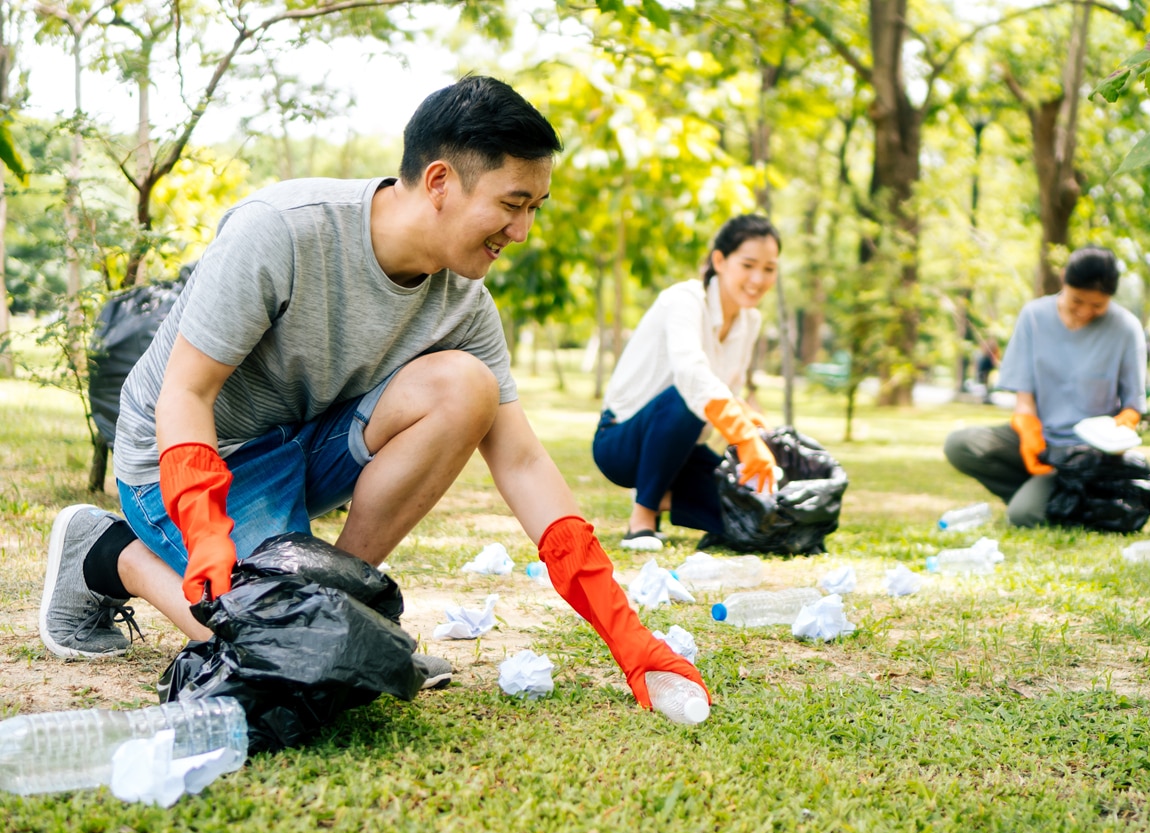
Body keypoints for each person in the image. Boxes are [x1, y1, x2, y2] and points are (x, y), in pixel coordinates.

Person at [37, 75, 707, 712]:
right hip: (184, 456)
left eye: (534, 208)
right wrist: (206, 526)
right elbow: (185, 391)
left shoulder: (466, 306)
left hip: (300, 449)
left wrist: (627, 635)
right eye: (511, 204)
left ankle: (336, 610)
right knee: (289, 664)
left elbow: (524, 463)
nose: (523, 232)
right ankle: (108, 553)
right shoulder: (282, 229)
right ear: (440, 180)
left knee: (465, 388)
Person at [592, 215, 781, 551]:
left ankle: (665, 495)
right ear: (719, 261)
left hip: (681, 450)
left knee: (750, 518)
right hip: (621, 443)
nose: (758, 279)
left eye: (769, 269)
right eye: (748, 264)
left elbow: (728, 392)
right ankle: (642, 520)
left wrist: (755, 431)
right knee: (689, 391)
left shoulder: (750, 320)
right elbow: (693, 376)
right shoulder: (684, 299)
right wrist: (744, 436)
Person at [943, 246, 1146, 527]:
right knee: (960, 445)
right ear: (1064, 278)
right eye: (1077, 301)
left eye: (1098, 306)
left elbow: (1133, 406)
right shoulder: (1034, 316)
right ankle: (1056, 497)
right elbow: (1024, 397)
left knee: (1023, 516)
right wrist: (1027, 427)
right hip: (1043, 440)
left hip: (1087, 455)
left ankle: (1047, 499)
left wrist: (1121, 428)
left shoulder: (1126, 328)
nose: (1086, 311)